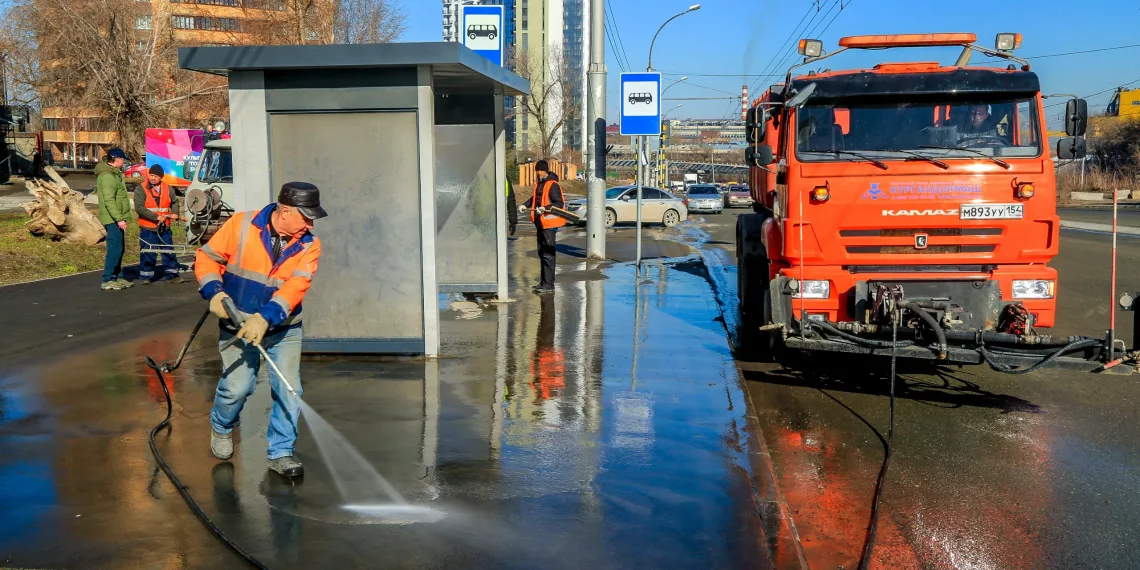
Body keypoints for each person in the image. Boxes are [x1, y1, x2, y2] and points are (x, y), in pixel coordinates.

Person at [195, 182, 326, 479]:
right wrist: (214, 292)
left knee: (289, 389)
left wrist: (266, 318)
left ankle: (280, 452)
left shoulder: (309, 244)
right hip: (237, 324)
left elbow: (296, 287)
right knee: (237, 388)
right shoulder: (241, 224)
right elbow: (207, 258)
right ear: (285, 210)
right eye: (305, 217)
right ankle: (222, 426)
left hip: (284, 327)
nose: (310, 224)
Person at [520, 160, 565, 293]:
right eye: (536, 170)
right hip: (541, 223)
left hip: (549, 225)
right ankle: (544, 282)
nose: (537, 173)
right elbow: (535, 199)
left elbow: (559, 203)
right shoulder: (540, 184)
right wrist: (525, 205)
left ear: (544, 170)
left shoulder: (552, 185)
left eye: (538, 170)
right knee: (542, 253)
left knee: (548, 254)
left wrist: (544, 208)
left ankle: (549, 285)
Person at [135, 164, 183, 284]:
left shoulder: (168, 188)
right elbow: (139, 208)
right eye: (151, 175)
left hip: (164, 227)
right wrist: (156, 217)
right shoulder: (141, 189)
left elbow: (175, 202)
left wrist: (175, 213)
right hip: (148, 227)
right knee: (148, 251)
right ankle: (146, 276)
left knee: (168, 250)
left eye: (156, 176)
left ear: (161, 177)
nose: (153, 178)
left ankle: (172, 275)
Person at [96, 148, 133, 290]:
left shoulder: (115, 174)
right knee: (114, 248)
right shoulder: (107, 176)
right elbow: (109, 200)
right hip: (112, 219)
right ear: (116, 159)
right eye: (122, 160)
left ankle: (117, 276)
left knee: (120, 248)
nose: (123, 162)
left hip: (117, 218)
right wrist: (119, 219)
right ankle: (108, 278)